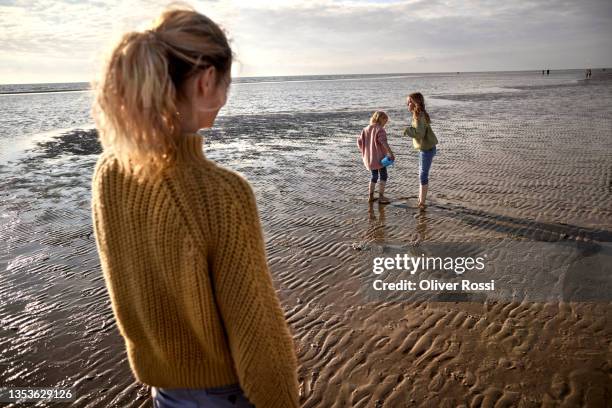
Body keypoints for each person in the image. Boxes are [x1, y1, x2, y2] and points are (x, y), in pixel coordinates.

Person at [90, 6, 299, 408]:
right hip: (224, 395)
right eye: (225, 84)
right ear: (206, 81)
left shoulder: (109, 172)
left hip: (164, 391)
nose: (224, 98)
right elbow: (257, 332)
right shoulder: (222, 194)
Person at [404, 92, 438, 210]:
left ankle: (422, 202)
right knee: (421, 174)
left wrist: (407, 130)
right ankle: (420, 199)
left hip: (427, 149)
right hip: (426, 148)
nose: (407, 104)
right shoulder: (420, 114)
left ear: (415, 103)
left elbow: (420, 133)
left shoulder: (418, 116)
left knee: (422, 176)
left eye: (409, 102)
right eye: (407, 102)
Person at [358, 111, 395, 204]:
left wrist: (366, 151)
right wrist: (390, 153)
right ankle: (381, 197)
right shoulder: (380, 130)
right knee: (383, 176)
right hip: (380, 159)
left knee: (374, 176)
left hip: (369, 158)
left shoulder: (365, 129)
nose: (385, 124)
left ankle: (370, 197)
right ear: (380, 119)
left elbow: (359, 142)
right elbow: (383, 142)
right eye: (385, 121)